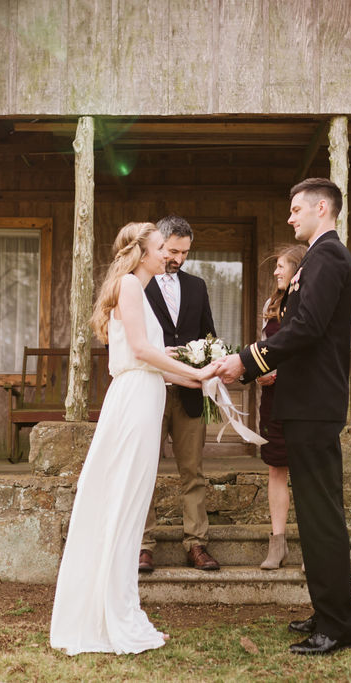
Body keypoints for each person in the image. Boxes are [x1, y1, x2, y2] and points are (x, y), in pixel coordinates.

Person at [49, 222, 220, 656]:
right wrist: (196, 370)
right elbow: (143, 353)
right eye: (162, 247)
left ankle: (123, 612)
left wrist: (201, 374)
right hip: (134, 400)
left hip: (148, 392)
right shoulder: (128, 285)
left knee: (133, 500)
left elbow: (155, 364)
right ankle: (111, 617)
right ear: (142, 251)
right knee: (123, 501)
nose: (169, 254)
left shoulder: (136, 289)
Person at [216, 179, 351, 656]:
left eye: (297, 210)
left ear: (323, 208)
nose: (290, 218)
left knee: (322, 515)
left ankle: (338, 626)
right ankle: (328, 613)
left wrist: (249, 359)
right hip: (306, 403)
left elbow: (307, 327)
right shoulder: (319, 258)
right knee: (315, 512)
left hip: (315, 404)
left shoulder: (328, 257)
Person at [139, 215, 221, 572]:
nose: (179, 259)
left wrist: (212, 359)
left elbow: (208, 334)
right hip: (148, 390)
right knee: (143, 471)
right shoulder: (135, 284)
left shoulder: (198, 286)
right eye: (173, 250)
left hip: (189, 394)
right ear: (158, 243)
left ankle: (197, 544)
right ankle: (142, 544)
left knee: (193, 472)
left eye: (185, 252)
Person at [256, 244, 307, 570]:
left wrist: (283, 373)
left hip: (302, 398)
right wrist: (259, 371)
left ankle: (310, 547)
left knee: (305, 473)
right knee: (277, 469)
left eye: (281, 266)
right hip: (273, 400)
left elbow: (309, 348)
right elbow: (266, 346)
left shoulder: (307, 302)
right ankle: (278, 544)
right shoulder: (271, 304)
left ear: (297, 269)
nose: (276, 271)